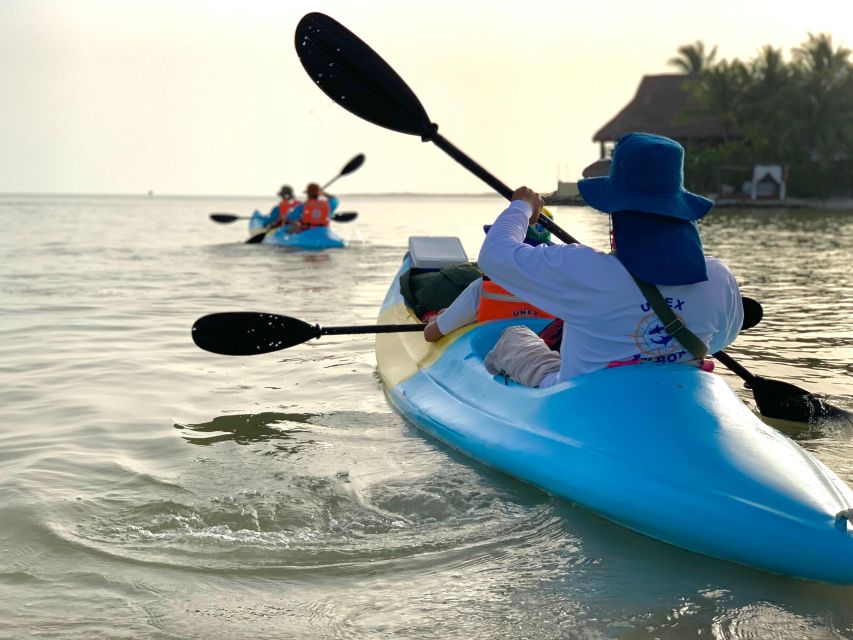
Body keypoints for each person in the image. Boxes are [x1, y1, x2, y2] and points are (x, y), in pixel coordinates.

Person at [477, 132, 744, 388]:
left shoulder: (581, 269)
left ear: (615, 213)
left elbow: (493, 255)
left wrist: (522, 206)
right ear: (680, 212)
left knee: (515, 336)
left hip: (583, 398)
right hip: (675, 394)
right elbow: (720, 341)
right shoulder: (718, 277)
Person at [423, 218, 556, 342]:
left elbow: (431, 335)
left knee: (443, 314)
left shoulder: (481, 288)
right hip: (546, 348)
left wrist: (434, 321)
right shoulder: (563, 286)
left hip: (491, 353)